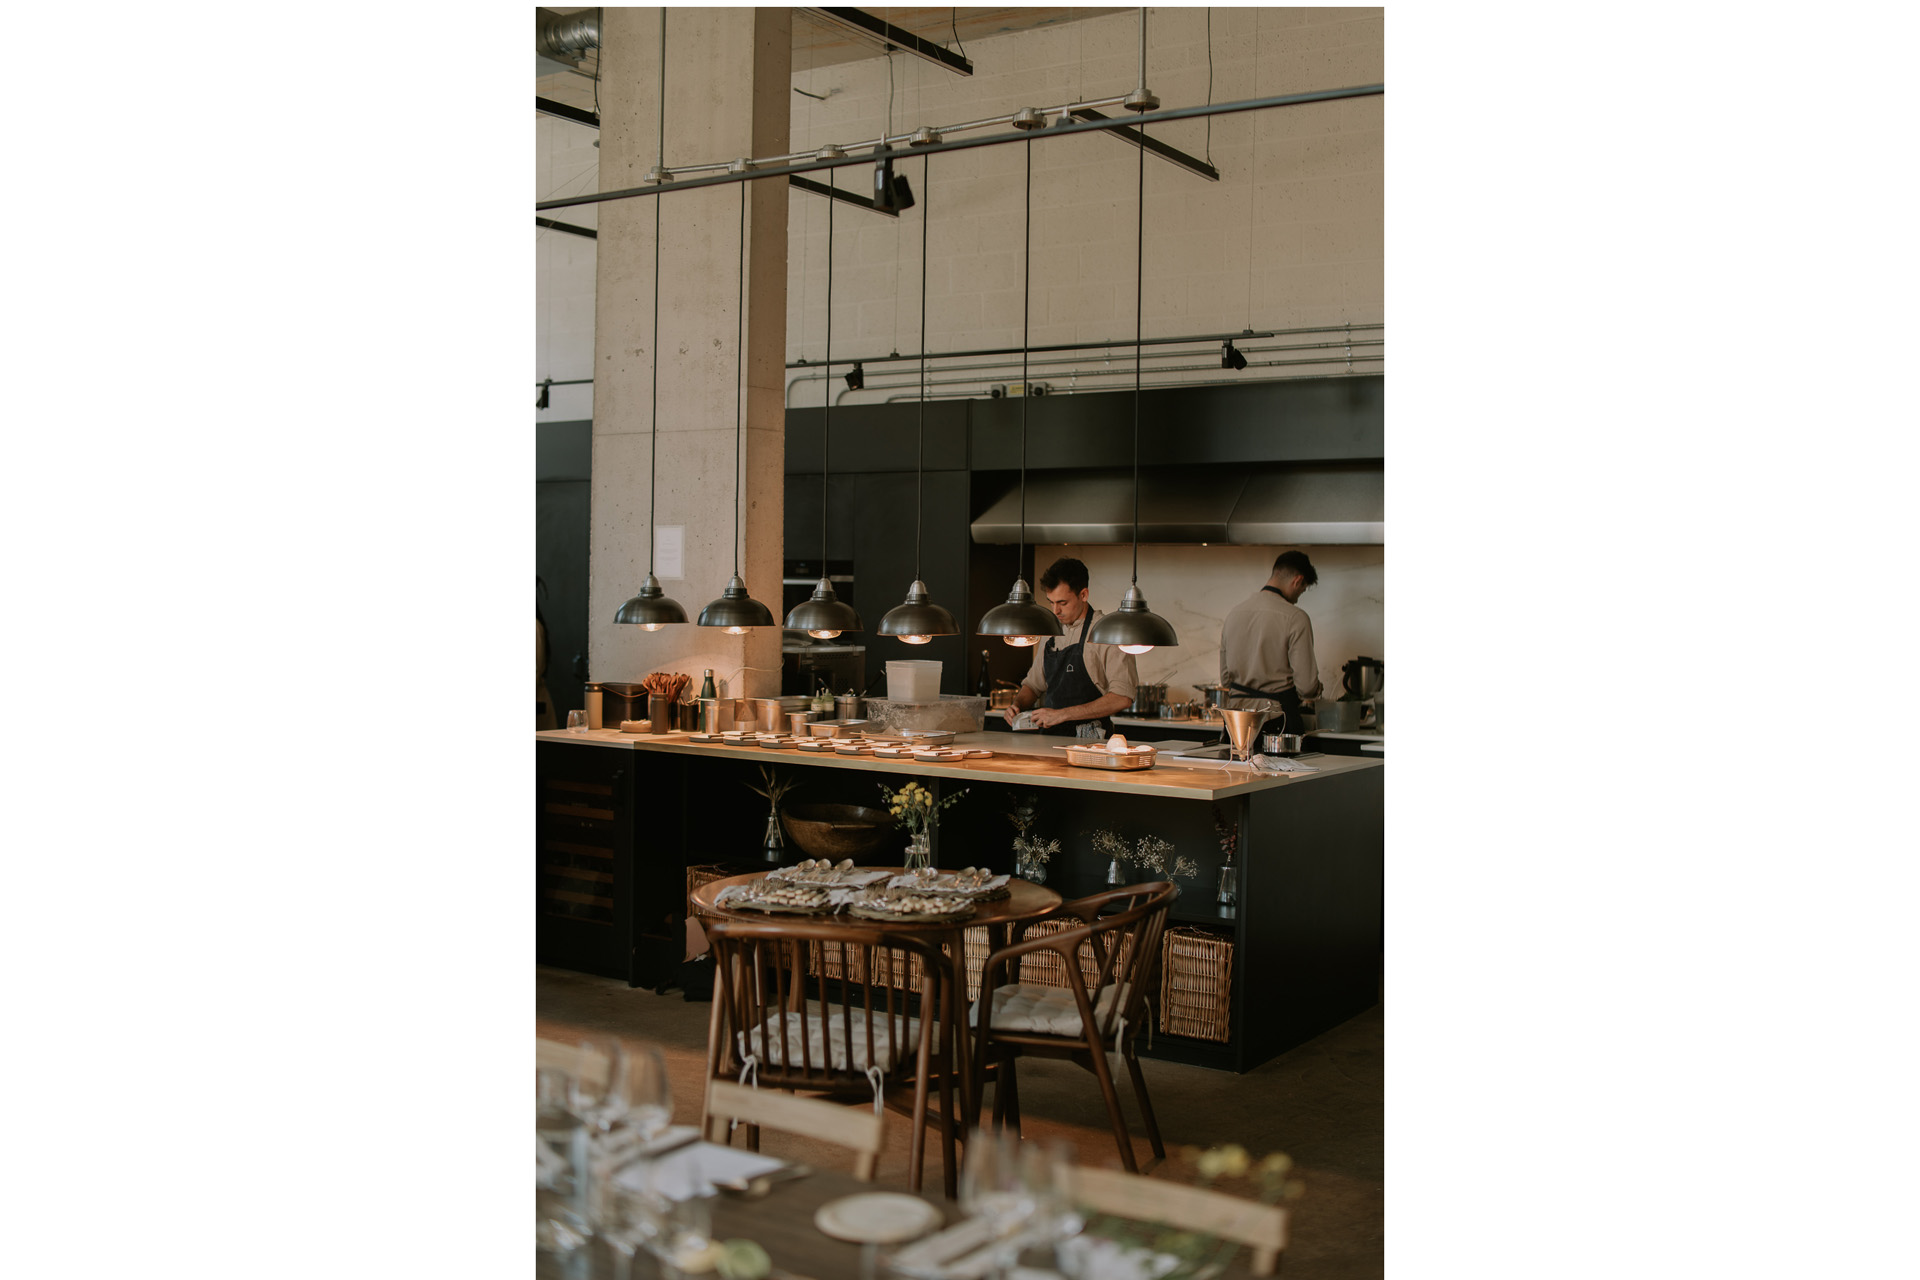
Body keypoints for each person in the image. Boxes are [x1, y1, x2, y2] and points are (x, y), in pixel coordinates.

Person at [1001, 557, 1138, 738]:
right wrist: (1017, 705)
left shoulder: (1106, 632)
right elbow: (1034, 685)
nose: (1055, 611)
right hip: (1048, 740)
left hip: (1092, 742)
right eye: (1051, 602)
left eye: (1062, 603)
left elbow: (1122, 697)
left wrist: (1061, 715)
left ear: (1083, 595)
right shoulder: (1051, 630)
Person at [1218, 550, 1323, 737]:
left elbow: (1226, 679)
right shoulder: (1295, 617)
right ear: (1297, 581)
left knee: (1234, 766)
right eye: (1302, 589)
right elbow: (1307, 687)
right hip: (1276, 720)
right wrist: (1316, 690)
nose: (1299, 597)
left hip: (1236, 719)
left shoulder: (1234, 614)